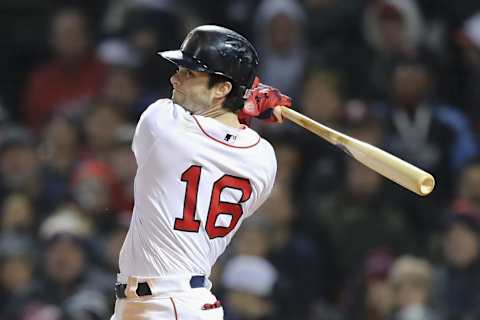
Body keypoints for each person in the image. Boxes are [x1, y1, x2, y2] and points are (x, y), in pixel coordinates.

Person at [110, 25, 291, 320]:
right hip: (181, 303)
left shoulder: (161, 124)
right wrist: (243, 104)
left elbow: (199, 133)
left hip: (165, 305)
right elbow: (223, 136)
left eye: (189, 73)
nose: (175, 78)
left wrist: (248, 104)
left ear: (223, 88)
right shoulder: (264, 159)